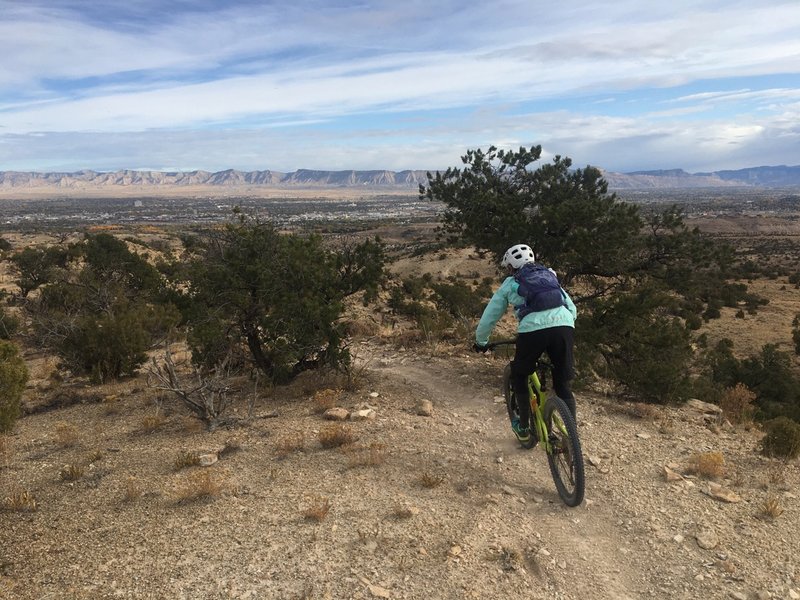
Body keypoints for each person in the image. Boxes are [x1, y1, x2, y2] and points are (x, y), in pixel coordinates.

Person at [473, 244, 577, 448]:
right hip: (564, 326)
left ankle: (522, 427)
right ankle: (572, 437)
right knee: (563, 384)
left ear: (511, 267)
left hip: (532, 331)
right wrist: (563, 327)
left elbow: (491, 315)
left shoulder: (511, 283)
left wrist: (481, 341)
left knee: (519, 374)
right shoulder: (550, 276)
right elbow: (571, 307)